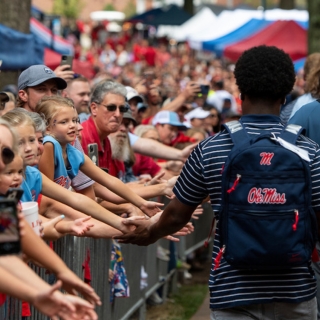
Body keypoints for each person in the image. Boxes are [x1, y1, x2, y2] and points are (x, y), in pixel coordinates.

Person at [115, 45, 320, 319]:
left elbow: (177, 213)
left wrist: (150, 234)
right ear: (286, 95)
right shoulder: (310, 151)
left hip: (232, 290)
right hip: (294, 290)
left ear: (240, 93)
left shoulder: (211, 148)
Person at [36, 96, 162, 217]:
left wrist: (142, 203)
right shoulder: (49, 144)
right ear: (47, 127)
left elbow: (109, 181)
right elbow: (48, 195)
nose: (74, 126)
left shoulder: (72, 149)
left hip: (58, 214)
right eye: (64, 122)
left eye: (75, 120)